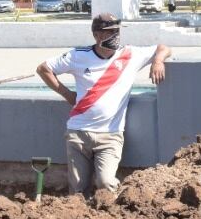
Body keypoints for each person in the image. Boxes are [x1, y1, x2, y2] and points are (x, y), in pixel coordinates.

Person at [36, 13, 171, 197]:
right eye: (109, 32)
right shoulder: (78, 56)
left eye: (117, 31)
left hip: (110, 135)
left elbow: (163, 48)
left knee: (106, 183)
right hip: (78, 133)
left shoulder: (130, 55)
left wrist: (157, 61)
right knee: (77, 191)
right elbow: (44, 69)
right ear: (97, 35)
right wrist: (67, 94)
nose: (115, 35)